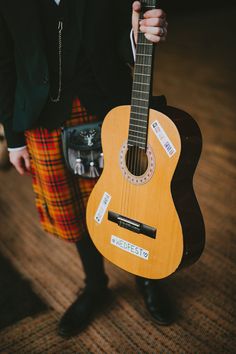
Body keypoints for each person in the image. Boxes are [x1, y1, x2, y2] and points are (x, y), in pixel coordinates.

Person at [0, 0, 172, 337]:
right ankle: (95, 284)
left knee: (131, 199)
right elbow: (4, 62)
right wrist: (14, 137)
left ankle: (146, 276)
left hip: (109, 105)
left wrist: (139, 35)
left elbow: (124, 34)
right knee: (77, 212)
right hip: (42, 118)